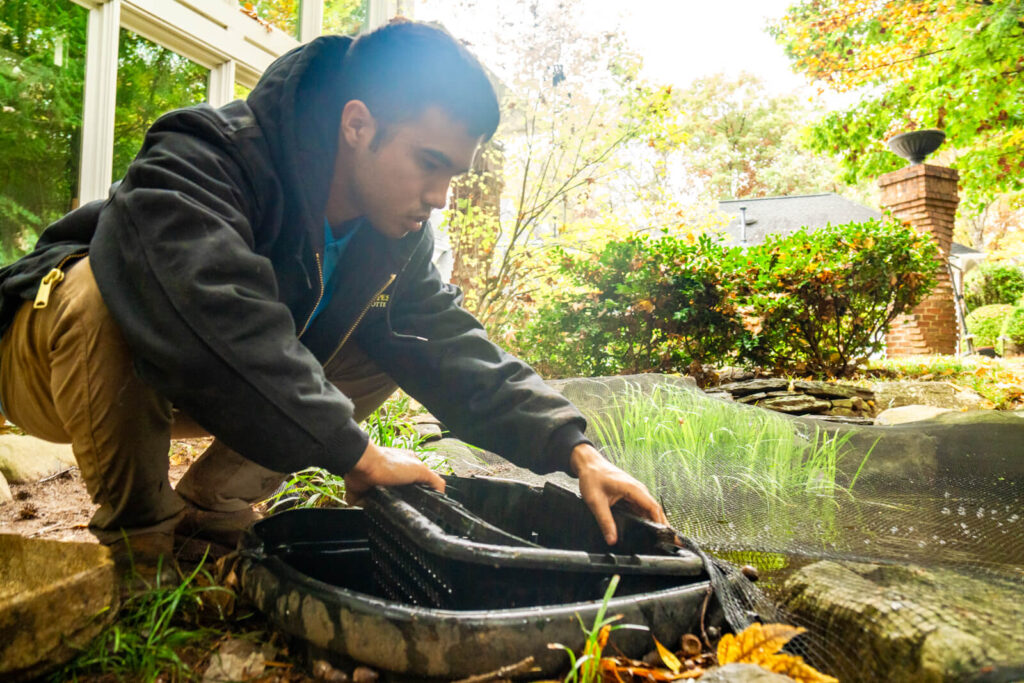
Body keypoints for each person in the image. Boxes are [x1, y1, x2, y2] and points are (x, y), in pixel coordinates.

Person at [0, 21, 665, 571]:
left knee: (390, 339)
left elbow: (452, 345)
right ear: (357, 125)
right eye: (429, 162)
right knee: (105, 289)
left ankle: (212, 522)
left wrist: (577, 451)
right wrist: (360, 454)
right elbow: (212, 315)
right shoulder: (202, 153)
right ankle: (141, 554)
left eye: (453, 175)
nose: (440, 197)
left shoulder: (390, 239)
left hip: (190, 388)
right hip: (48, 366)